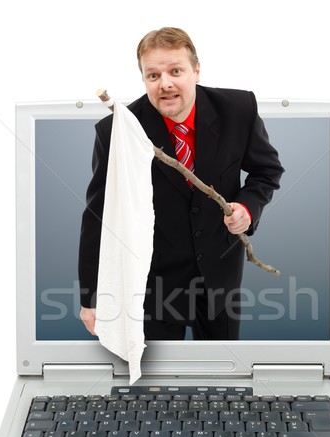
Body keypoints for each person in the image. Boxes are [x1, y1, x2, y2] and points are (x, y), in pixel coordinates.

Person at [78, 27, 284, 340]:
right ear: (144, 79)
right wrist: (91, 299)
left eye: (176, 71)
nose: (166, 84)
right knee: (156, 385)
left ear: (196, 71)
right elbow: (99, 216)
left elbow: (266, 171)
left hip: (221, 277)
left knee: (222, 382)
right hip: (154, 282)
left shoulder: (238, 110)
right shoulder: (117, 131)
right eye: (153, 75)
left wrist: (247, 208)